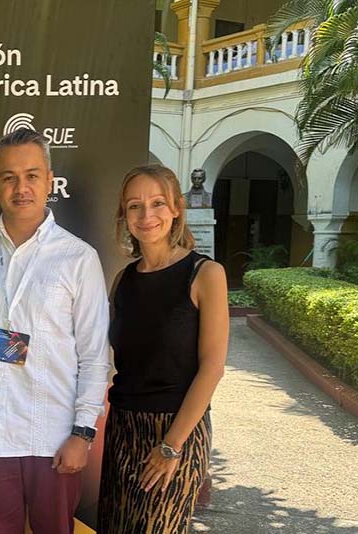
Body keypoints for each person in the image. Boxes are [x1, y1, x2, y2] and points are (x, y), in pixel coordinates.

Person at [0, 129, 110, 534]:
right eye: (8, 177)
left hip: (54, 438)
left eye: (31, 175)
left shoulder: (79, 258)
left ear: (49, 180)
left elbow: (95, 356)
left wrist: (82, 432)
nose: (20, 187)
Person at [96, 164, 228, 534]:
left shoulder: (205, 275)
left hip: (176, 429)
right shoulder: (123, 280)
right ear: (124, 215)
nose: (147, 215)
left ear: (176, 209)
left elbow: (212, 368)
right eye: (135, 206)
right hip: (123, 427)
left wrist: (171, 445)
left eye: (157, 203)